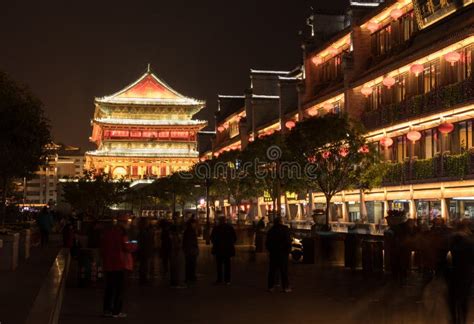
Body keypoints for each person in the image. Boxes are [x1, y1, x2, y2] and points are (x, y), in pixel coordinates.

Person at [100, 217, 135, 318]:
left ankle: (107, 310)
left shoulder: (107, 232)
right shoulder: (122, 233)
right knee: (119, 289)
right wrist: (134, 244)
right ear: (123, 223)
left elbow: (102, 247)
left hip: (108, 264)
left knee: (109, 288)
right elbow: (127, 247)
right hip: (120, 263)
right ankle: (116, 311)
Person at [447, 220, 474, 324]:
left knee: (453, 298)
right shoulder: (469, 241)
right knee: (464, 298)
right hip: (466, 272)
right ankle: (463, 319)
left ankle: (454, 319)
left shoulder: (451, 239)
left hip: (453, 272)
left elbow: (447, 257)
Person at [265, 217, 292, 292]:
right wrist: (288, 251)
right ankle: (286, 287)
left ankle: (271, 286)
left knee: (272, 270)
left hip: (273, 253)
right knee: (284, 271)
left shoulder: (271, 230)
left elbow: (267, 243)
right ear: (281, 222)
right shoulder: (285, 229)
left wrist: (270, 250)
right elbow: (288, 241)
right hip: (283, 253)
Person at [210, 216, 237, 285]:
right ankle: (227, 280)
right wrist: (230, 244)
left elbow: (212, 238)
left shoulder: (216, 228)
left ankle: (219, 279)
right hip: (227, 249)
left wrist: (216, 243)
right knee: (227, 265)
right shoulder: (229, 228)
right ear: (225, 220)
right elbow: (234, 238)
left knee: (219, 265)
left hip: (219, 249)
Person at [137, 218, 155, 285]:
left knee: (144, 266)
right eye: (147, 222)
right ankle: (143, 279)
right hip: (145, 251)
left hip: (144, 251)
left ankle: (143, 279)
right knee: (144, 266)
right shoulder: (143, 232)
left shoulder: (143, 231)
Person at [183, 218, 199, 284]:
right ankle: (190, 277)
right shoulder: (191, 231)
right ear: (192, 224)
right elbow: (192, 241)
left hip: (189, 249)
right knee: (191, 264)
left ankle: (189, 276)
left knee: (189, 264)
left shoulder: (188, 231)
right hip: (191, 250)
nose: (195, 225)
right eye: (194, 223)